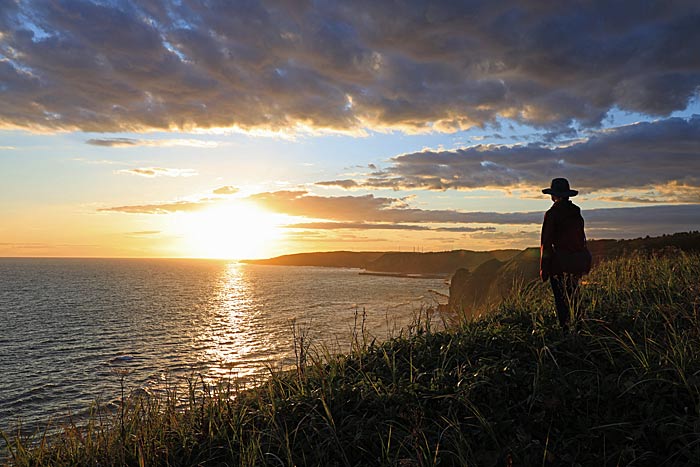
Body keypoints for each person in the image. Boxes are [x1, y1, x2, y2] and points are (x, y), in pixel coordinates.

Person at [540, 178, 591, 332]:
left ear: (553, 195)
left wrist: (544, 268)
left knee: (561, 300)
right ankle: (579, 327)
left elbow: (546, 242)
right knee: (574, 296)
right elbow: (581, 238)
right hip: (576, 261)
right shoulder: (576, 211)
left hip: (559, 264)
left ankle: (566, 331)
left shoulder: (552, 213)